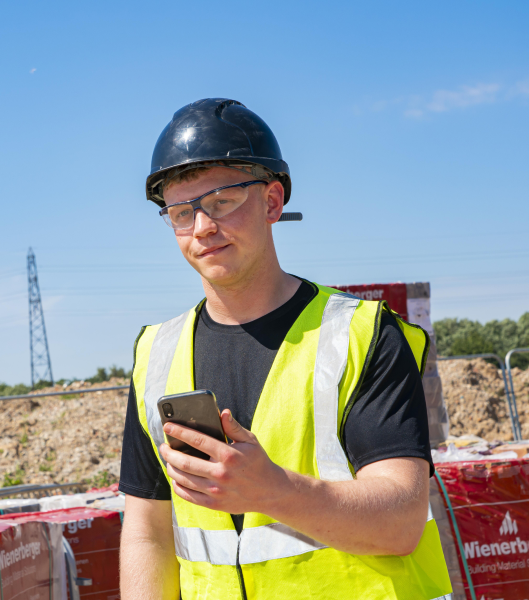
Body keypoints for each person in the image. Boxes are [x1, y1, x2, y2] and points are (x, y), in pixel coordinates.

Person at [118, 99, 452, 600]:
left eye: (222, 200)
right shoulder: (156, 354)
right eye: (182, 212)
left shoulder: (362, 335)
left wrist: (271, 490)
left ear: (273, 202)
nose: (202, 228)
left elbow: (402, 522)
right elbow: (148, 531)